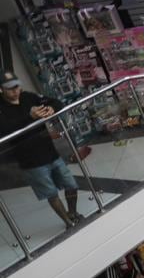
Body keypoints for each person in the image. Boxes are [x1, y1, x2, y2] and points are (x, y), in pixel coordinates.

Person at [0, 74, 83, 227]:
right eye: (10, 89)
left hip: (50, 152)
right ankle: (67, 221)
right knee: (50, 193)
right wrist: (30, 117)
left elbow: (55, 102)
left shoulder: (28, 97)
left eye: (16, 86)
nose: (16, 91)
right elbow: (5, 130)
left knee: (71, 184)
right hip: (30, 162)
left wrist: (51, 108)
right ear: (1, 89)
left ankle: (73, 212)